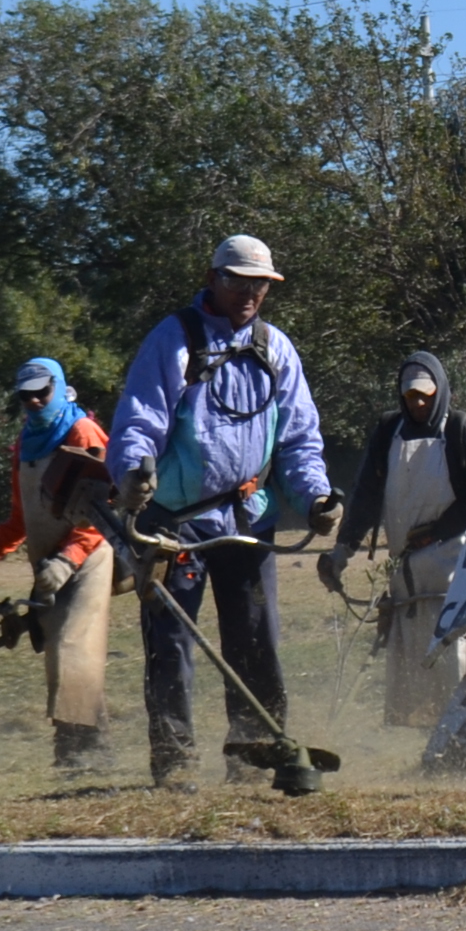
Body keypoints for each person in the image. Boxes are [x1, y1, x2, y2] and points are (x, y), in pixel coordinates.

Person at [106, 235, 338, 784]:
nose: (250, 292)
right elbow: (139, 420)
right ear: (213, 279)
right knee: (172, 644)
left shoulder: (275, 348)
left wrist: (316, 499)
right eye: (238, 280)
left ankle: (253, 757)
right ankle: (175, 760)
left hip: (248, 519)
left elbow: (299, 440)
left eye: (260, 283)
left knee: (256, 639)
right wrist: (135, 473)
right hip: (175, 526)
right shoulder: (173, 340)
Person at [0, 357, 121, 770]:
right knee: (59, 656)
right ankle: (85, 744)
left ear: (60, 386)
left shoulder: (83, 432)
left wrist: (67, 560)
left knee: (73, 648)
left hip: (91, 557)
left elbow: (106, 508)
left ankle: (80, 751)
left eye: (43, 390)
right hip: (48, 565)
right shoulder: (26, 442)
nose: (36, 399)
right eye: (27, 394)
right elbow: (20, 519)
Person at [319, 350, 466, 727]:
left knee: (456, 654)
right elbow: (366, 496)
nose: (418, 403)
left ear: (440, 390)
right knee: (414, 660)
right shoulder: (388, 433)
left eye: (425, 394)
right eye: (410, 396)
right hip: (405, 569)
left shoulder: (460, 432)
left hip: (455, 563)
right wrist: (343, 550)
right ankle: (427, 736)